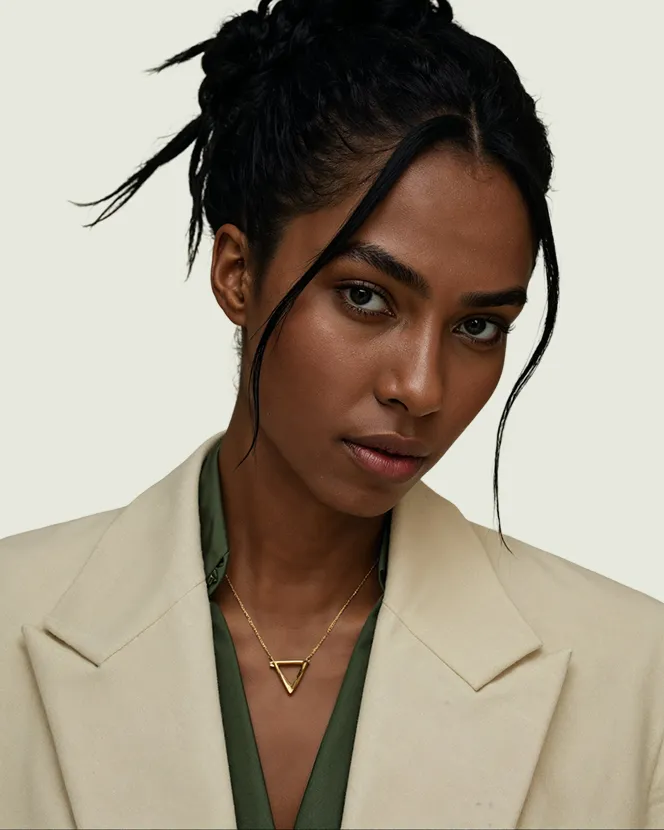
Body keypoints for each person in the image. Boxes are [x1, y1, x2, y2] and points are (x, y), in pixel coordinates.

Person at [1, 0, 663, 828]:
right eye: (366, 297)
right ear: (238, 274)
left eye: (479, 326)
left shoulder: (635, 673)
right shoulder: (12, 618)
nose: (422, 388)